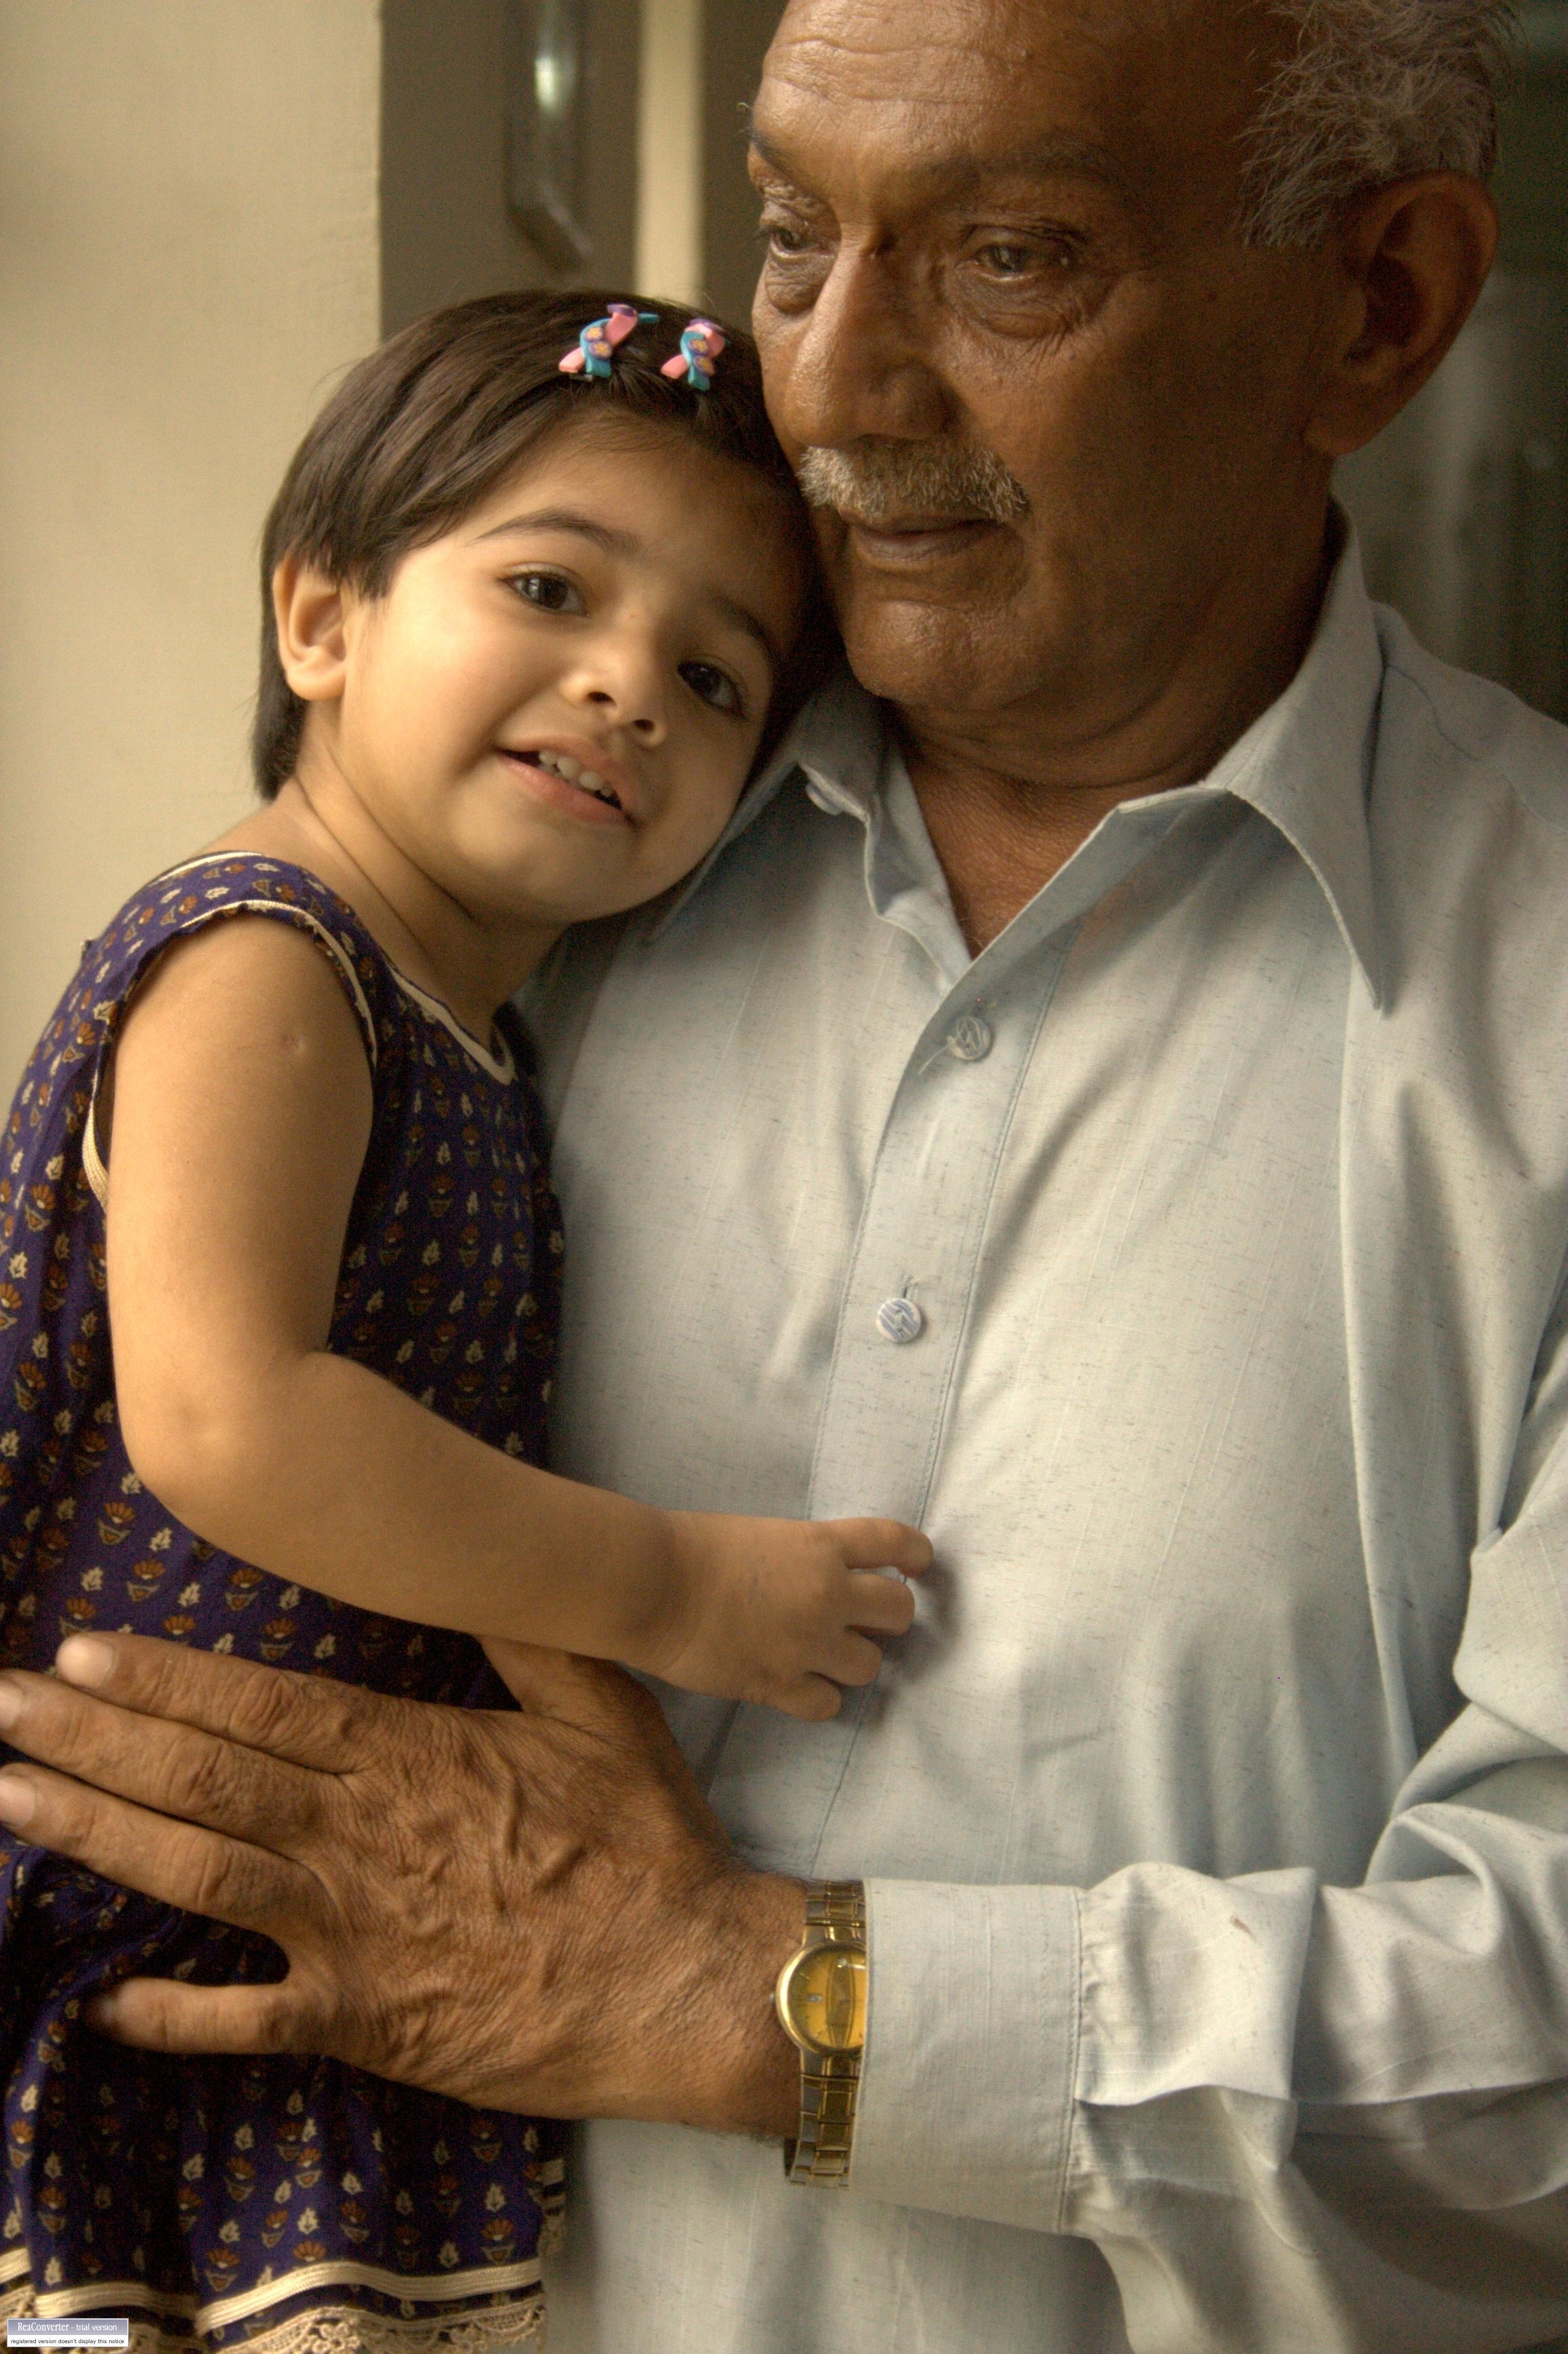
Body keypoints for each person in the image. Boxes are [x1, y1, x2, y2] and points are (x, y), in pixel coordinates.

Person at [1, 0, 1567, 2345]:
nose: (831, 380)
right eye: (787, 233)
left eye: (1012, 256)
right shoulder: (512, 881)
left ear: (1375, 307)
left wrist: (756, 1997)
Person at [0, 288, 927, 2354]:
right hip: (142, 1888)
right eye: (546, 586)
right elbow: (228, 1418)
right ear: (319, 619)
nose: (624, 686)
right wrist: (671, 1583)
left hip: (329, 1914)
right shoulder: (262, 953)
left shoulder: (480, 1036)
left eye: (710, 674)